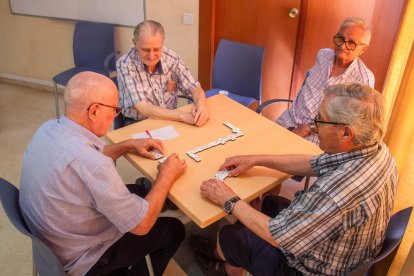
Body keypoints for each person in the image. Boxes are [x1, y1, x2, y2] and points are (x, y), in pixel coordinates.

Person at [191, 83, 397, 275]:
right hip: (346, 250)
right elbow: (313, 163)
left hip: (310, 269)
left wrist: (229, 199)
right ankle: (237, 253)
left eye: (320, 120)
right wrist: (257, 159)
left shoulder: (337, 192)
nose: (314, 127)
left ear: (346, 133)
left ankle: (225, 266)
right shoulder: (377, 150)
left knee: (230, 236)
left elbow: (277, 236)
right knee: (270, 203)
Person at [19, 71, 187, 276]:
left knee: (136, 191)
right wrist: (166, 176)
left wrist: (127, 145)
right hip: (85, 259)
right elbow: (142, 226)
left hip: (53, 239)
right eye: (115, 109)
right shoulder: (93, 165)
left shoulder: (48, 129)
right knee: (174, 229)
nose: (115, 115)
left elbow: (82, 159)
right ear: (95, 111)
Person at [277, 17, 374, 144]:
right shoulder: (323, 55)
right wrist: (292, 129)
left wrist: (309, 128)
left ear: (363, 48)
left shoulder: (363, 79)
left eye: (351, 43)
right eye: (340, 38)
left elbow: (352, 124)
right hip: (288, 121)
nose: (342, 46)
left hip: (316, 137)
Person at [117, 19, 209, 127]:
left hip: (170, 119)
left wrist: (201, 107)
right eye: (146, 50)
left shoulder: (171, 57)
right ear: (135, 43)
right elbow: (142, 107)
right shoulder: (125, 64)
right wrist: (181, 116)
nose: (151, 56)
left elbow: (194, 88)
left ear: (163, 42)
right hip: (139, 123)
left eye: (156, 49)